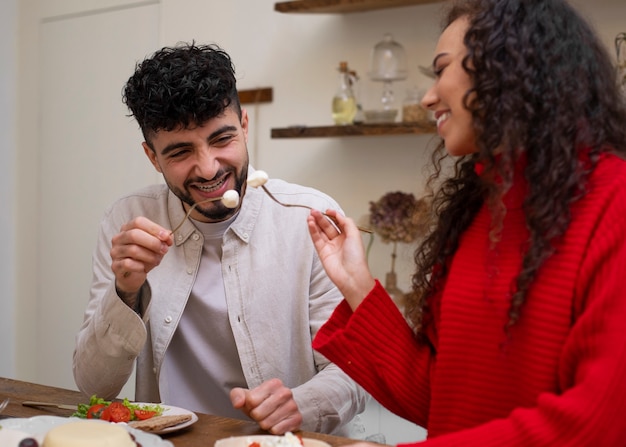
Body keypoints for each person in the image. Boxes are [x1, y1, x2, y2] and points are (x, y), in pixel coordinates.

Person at [307, 0, 626, 445]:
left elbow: (600, 421)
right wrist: (357, 285)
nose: (428, 96)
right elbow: (441, 401)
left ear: (507, 66)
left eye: (441, 70)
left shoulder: (614, 201)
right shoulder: (477, 214)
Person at [72, 42, 368, 437]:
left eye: (222, 139)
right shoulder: (128, 220)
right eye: (180, 152)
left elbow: (358, 372)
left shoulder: (307, 217)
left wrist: (302, 405)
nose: (208, 168)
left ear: (245, 126)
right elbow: (94, 386)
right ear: (152, 157)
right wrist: (125, 292)